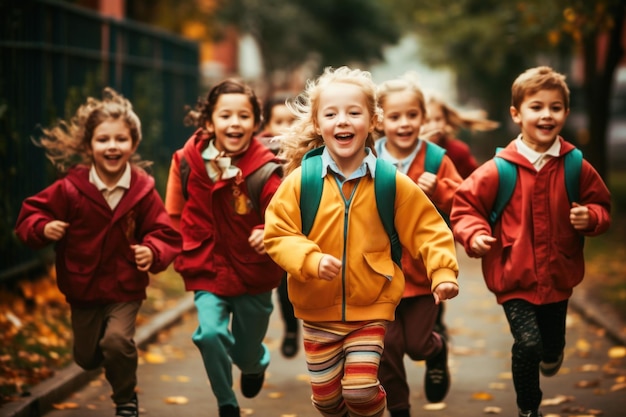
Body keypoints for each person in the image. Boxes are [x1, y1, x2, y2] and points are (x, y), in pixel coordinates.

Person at [263, 66, 460, 417]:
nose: (343, 121)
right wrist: (310, 260)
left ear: (373, 121)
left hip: (371, 308)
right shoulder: (301, 181)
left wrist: (442, 271)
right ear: (317, 123)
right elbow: (278, 233)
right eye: (332, 113)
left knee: (361, 390)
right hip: (316, 311)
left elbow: (428, 227)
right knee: (326, 400)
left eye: (354, 113)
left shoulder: (389, 181)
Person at [450, 66, 611, 417]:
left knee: (550, 347)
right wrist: (474, 234)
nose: (546, 114)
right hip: (513, 276)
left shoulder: (575, 165)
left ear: (566, 114)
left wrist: (591, 217)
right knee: (528, 344)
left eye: (555, 107)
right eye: (536, 106)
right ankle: (528, 408)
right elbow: (465, 207)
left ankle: (554, 352)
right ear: (516, 114)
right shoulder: (498, 168)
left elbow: (602, 204)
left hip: (559, 275)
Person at [14, 88, 182, 417]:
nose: (112, 146)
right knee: (86, 358)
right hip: (83, 287)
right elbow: (30, 215)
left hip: (124, 287)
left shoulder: (142, 190)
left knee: (116, 342)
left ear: (133, 145)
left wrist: (152, 251)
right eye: (103, 139)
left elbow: (164, 232)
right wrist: (43, 228)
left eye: (121, 139)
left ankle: (125, 400)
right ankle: (112, 364)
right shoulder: (70, 189)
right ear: (89, 145)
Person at [164, 78, 285, 417]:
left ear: (255, 123)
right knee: (210, 334)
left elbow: (282, 213)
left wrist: (267, 230)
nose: (235, 123)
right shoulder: (186, 160)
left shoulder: (266, 169)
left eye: (244, 116)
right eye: (226, 115)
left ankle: (255, 363)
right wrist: (171, 248)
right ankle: (226, 403)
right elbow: (173, 212)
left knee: (246, 352)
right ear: (209, 122)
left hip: (253, 270)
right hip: (206, 263)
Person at [373, 73, 463, 417]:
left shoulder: (437, 159)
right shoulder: (370, 159)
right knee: (388, 347)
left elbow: (464, 201)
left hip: (423, 273)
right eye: (394, 117)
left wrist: (439, 188)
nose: (404, 123)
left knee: (418, 345)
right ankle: (399, 408)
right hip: (381, 273)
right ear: (381, 120)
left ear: (423, 118)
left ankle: (437, 351)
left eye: (412, 115)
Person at [421, 94, 499, 340]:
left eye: (438, 119)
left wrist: (441, 187)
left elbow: (473, 188)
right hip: (408, 225)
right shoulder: (401, 150)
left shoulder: (456, 151)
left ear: (447, 122)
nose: (434, 125)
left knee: (435, 272)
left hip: (444, 221)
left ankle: (435, 322)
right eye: (427, 119)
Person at [255, 93, 300, 358]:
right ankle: (291, 329)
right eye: (279, 121)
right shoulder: (260, 154)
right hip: (278, 228)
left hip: (307, 227)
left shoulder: (313, 150)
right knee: (285, 285)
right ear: (268, 126)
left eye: (291, 120)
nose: (285, 128)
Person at [421, 95, 499, 179]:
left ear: (446, 119)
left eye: (438, 119)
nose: (434, 126)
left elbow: (477, 180)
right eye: (427, 121)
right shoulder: (411, 153)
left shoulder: (458, 152)